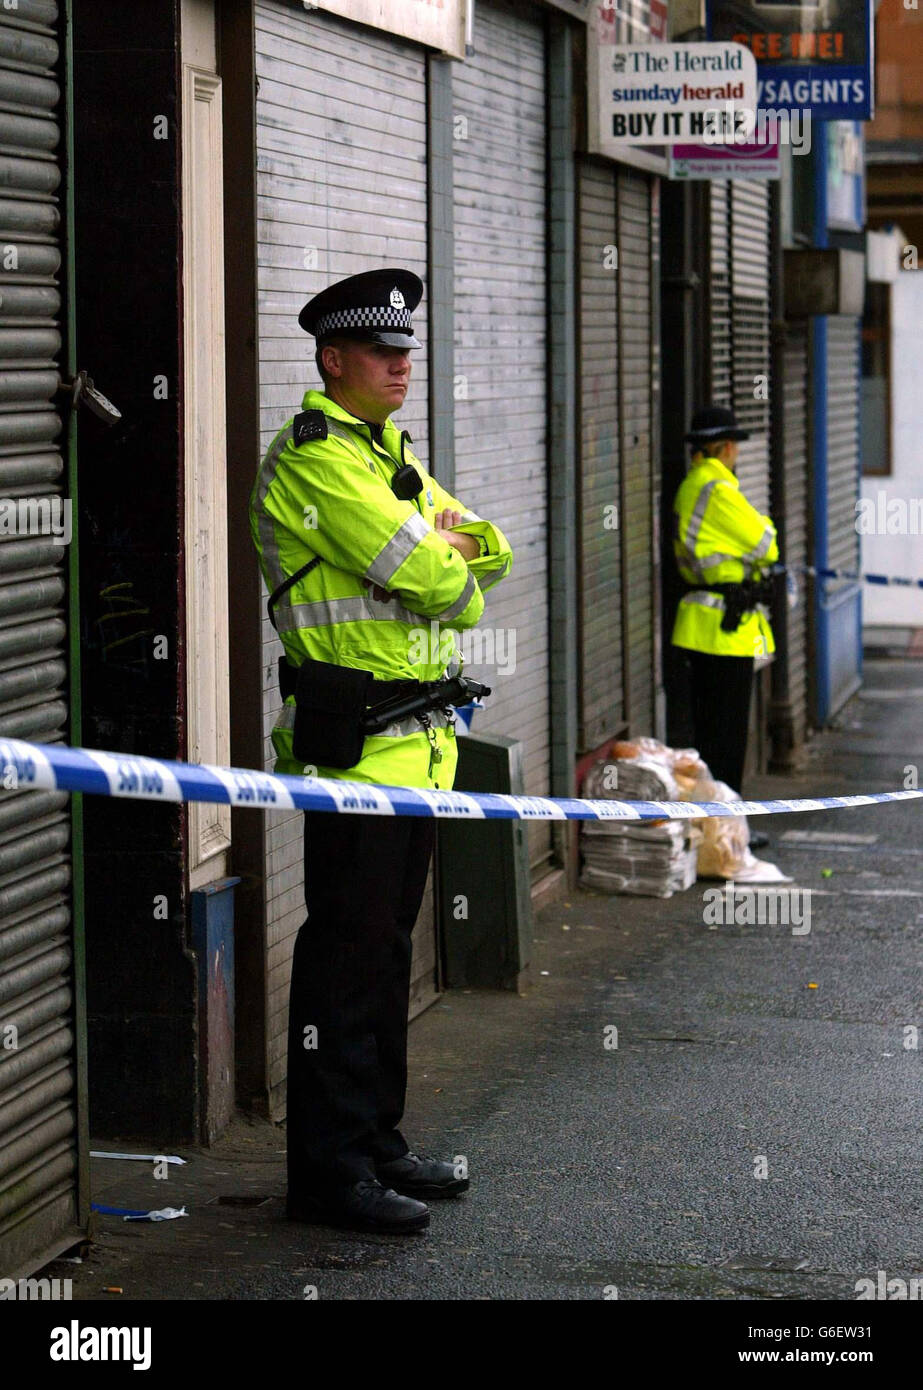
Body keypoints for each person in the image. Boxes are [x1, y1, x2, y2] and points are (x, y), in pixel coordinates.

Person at [249, 268, 512, 1234]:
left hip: (419, 752)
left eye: (407, 351)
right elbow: (437, 576)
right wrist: (452, 561)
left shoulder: (386, 451)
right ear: (334, 361)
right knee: (344, 962)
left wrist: (457, 558)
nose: (403, 366)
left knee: (387, 953)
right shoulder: (318, 461)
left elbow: (487, 553)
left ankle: (375, 1143)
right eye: (384, 353)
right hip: (355, 755)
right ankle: (326, 1175)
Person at [671, 404, 779, 802]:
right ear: (726, 447)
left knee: (712, 736)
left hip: (705, 627)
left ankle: (718, 832)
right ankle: (725, 832)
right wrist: (762, 529)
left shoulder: (695, 484)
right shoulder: (717, 489)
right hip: (723, 633)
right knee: (727, 739)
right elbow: (767, 544)